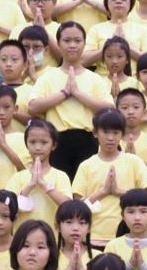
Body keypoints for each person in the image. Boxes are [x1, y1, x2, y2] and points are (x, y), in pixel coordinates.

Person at [27, 21, 114, 177]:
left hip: (88, 140)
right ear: (58, 44)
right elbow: (32, 107)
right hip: (56, 141)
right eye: (67, 41)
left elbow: (110, 109)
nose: (72, 45)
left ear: (84, 44)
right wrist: (64, 93)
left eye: (77, 41)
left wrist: (78, 94)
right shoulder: (48, 77)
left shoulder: (95, 78)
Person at [73, 108, 147, 247]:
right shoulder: (86, 165)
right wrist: (103, 192)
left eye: (116, 133)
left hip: (128, 236)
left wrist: (118, 191)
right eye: (105, 132)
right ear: (95, 133)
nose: (110, 138)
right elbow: (77, 205)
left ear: (122, 134)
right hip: (93, 237)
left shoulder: (134, 161)